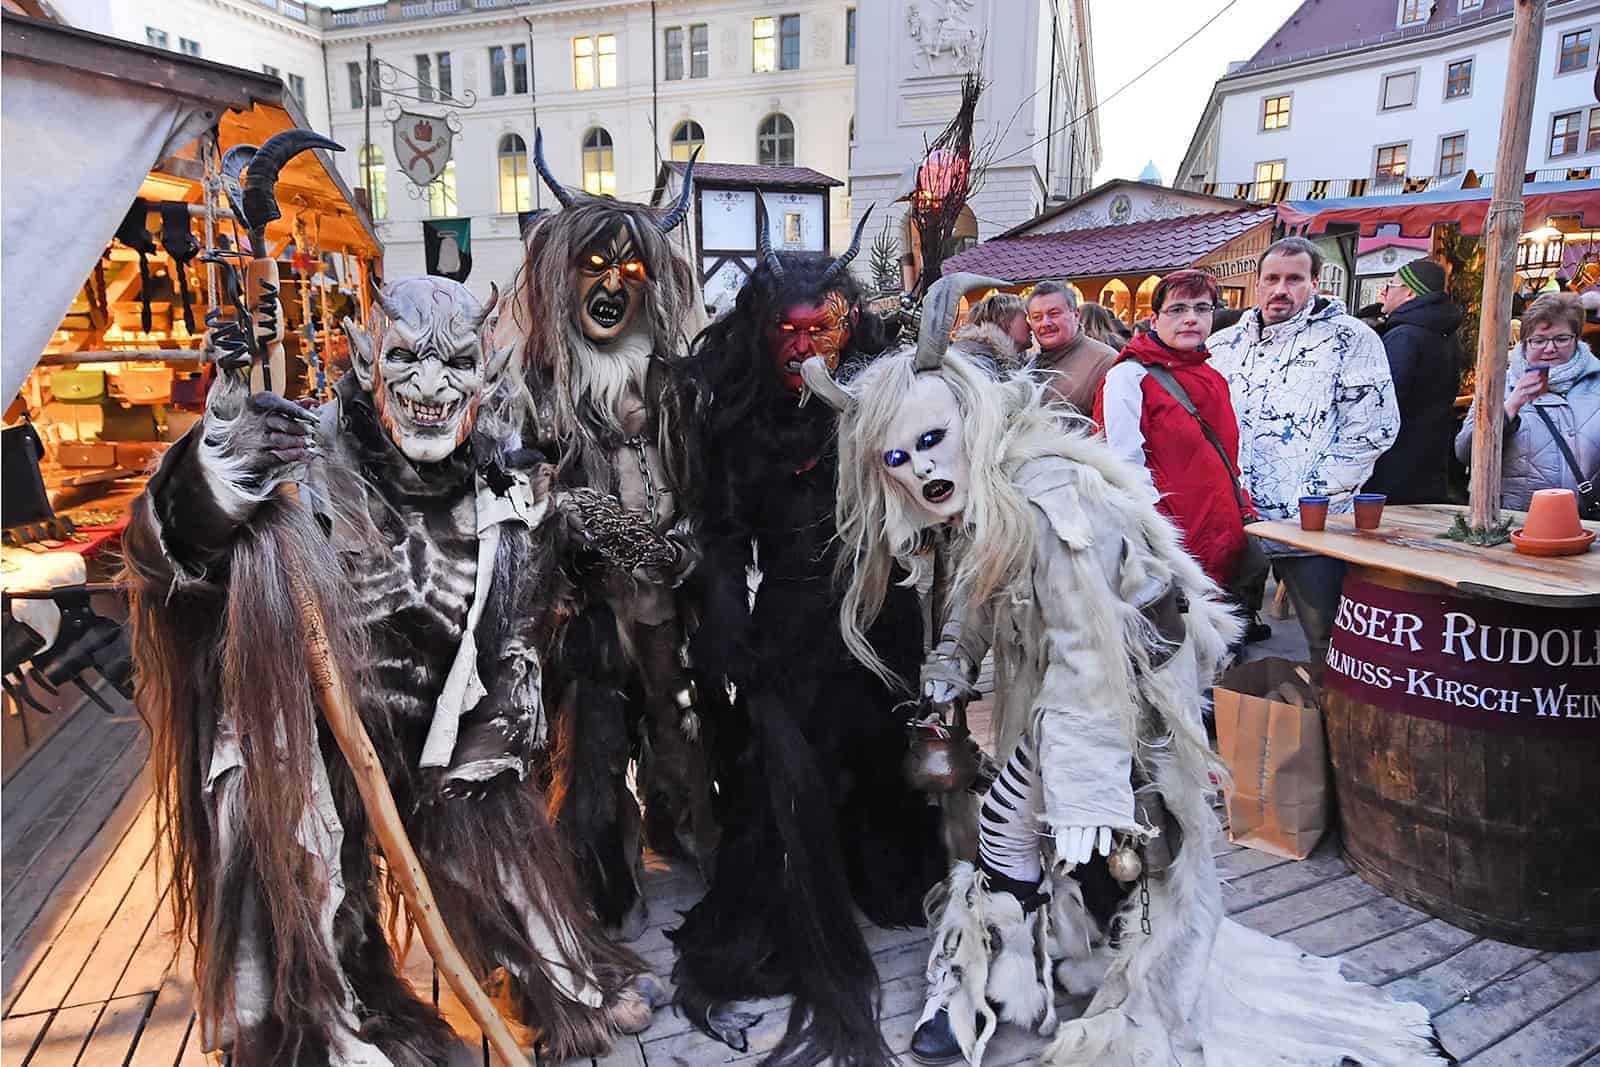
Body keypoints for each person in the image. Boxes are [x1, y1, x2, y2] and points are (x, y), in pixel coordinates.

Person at [802, 278, 1443, 1065]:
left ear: (966, 416)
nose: (921, 470)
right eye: (898, 458)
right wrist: (950, 664)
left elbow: (1084, 643)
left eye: (932, 442)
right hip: (1068, 680)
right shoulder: (985, 494)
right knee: (1032, 826)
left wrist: (1078, 767)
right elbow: (980, 587)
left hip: (1134, 679)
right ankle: (1001, 982)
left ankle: (1036, 987)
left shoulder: (1049, 494)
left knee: (1108, 832)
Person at [123, 278, 661, 1064]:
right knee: (302, 880)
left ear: (487, 370)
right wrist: (212, 479)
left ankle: (553, 978)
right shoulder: (305, 467)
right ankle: (330, 1020)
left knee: (506, 867)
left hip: (453, 735)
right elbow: (167, 562)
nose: (432, 387)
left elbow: (538, 603)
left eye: (456, 364)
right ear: (366, 357)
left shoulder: (509, 482)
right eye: (408, 359)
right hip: (326, 743)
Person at [669, 209, 947, 1066]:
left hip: (880, 610)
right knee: (787, 770)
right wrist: (721, 609)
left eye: (819, 328)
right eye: (785, 333)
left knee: (879, 755)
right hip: (788, 618)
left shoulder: (879, 395)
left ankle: (884, 868)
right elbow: (718, 527)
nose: (803, 350)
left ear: (847, 321)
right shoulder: (738, 418)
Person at [497, 133, 717, 938]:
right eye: (595, 266)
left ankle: (682, 823)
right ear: (562, 276)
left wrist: (688, 537)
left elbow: (703, 480)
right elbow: (512, 488)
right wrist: (562, 515)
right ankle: (598, 866)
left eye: (630, 270)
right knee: (588, 729)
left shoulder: (674, 381)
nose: (612, 286)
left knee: (678, 708)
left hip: (664, 591)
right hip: (582, 602)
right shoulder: (535, 386)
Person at [1209, 237, 1399, 665]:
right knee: (1223, 636)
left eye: (1294, 279)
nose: (1281, 289)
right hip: (1236, 517)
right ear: (1256, 284)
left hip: (1311, 525)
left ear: (1315, 283)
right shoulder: (1225, 345)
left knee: (1327, 640)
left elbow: (1372, 430)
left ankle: (1325, 724)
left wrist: (1313, 497)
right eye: (1272, 279)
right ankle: (1235, 721)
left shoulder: (1351, 340)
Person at [1094, 269, 1265, 629]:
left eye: (1202, 308)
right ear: (1154, 319)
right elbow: (1122, 466)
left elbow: (1228, 458)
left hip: (1219, 530)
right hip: (1172, 541)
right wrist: (1159, 543)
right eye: (1177, 309)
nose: (1191, 318)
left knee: (1215, 637)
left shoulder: (1212, 376)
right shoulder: (1128, 377)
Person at [1456, 291, 1600, 511]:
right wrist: (1511, 407)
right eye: (1539, 340)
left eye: (1562, 339)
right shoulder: (1497, 386)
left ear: (1577, 338)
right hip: (1517, 521)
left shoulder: (1596, 382)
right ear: (1524, 343)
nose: (1550, 348)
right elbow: (1465, 453)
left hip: (1588, 523)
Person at [1365, 259, 1463, 504]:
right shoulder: (1443, 334)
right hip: (1430, 458)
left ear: (1409, 292)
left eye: (1390, 285)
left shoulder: (1405, 335)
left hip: (1395, 463)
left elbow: (1385, 402)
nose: (1384, 292)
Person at [1025, 280, 1117, 413]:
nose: (1045, 323)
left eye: (1054, 314)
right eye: (1037, 317)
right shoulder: (1030, 365)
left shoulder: (1104, 362)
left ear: (1076, 315)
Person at [956, 290, 1030, 374]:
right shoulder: (978, 363)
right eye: (1025, 318)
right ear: (1004, 321)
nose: (1030, 326)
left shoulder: (1001, 360)